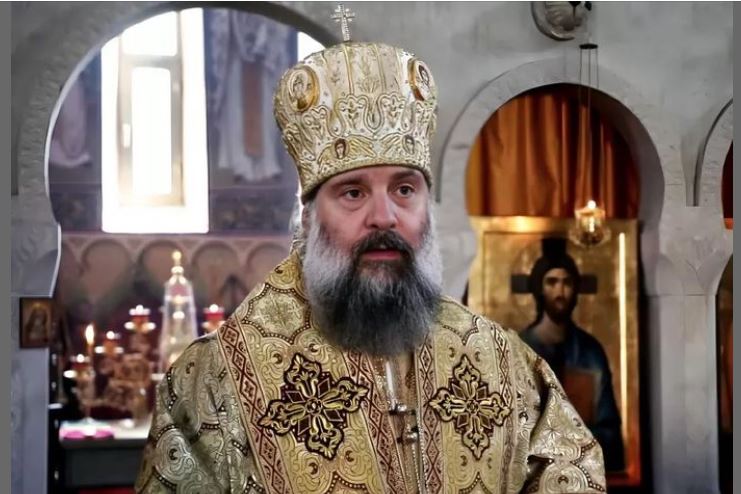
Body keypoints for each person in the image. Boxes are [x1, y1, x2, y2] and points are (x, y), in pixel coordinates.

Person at [136, 34, 606, 494]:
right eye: (353, 192)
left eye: (404, 189)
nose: (384, 216)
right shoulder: (216, 378)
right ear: (309, 217)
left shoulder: (502, 361)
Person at [519, 237, 625, 472]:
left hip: (582, 474)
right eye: (552, 282)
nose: (560, 291)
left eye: (567, 282)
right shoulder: (520, 349)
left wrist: (570, 441)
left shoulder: (590, 353)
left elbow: (609, 431)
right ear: (539, 289)